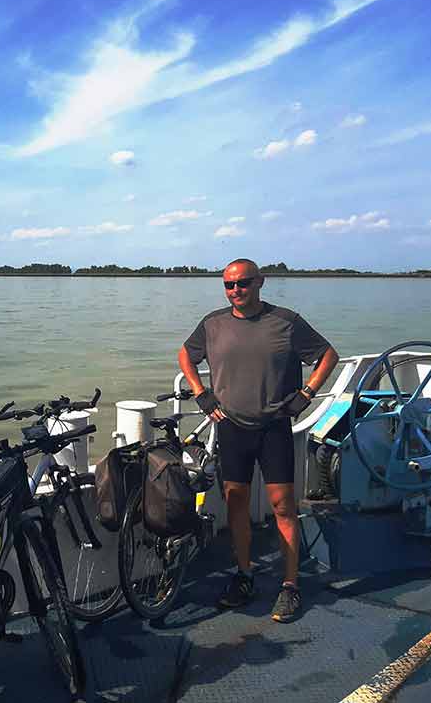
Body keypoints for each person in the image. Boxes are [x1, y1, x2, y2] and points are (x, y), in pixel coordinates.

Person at [178, 258, 339, 622]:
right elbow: (186, 354)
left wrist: (308, 393)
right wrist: (201, 393)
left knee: (283, 506)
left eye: (244, 283)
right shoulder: (212, 324)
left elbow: (328, 355)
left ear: (260, 282)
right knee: (236, 503)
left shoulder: (286, 322)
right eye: (229, 285)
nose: (236, 291)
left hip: (274, 428)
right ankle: (244, 575)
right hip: (231, 427)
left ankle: (289, 585)